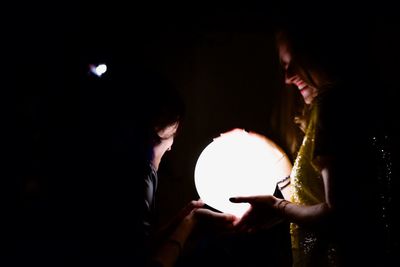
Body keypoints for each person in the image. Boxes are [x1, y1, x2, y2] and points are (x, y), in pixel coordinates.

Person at [230, 15, 395, 267]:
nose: (287, 77)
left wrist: (277, 207)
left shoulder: (334, 106)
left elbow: (338, 215)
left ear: (320, 52)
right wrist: (264, 150)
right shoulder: (360, 103)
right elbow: (319, 203)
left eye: (292, 63)